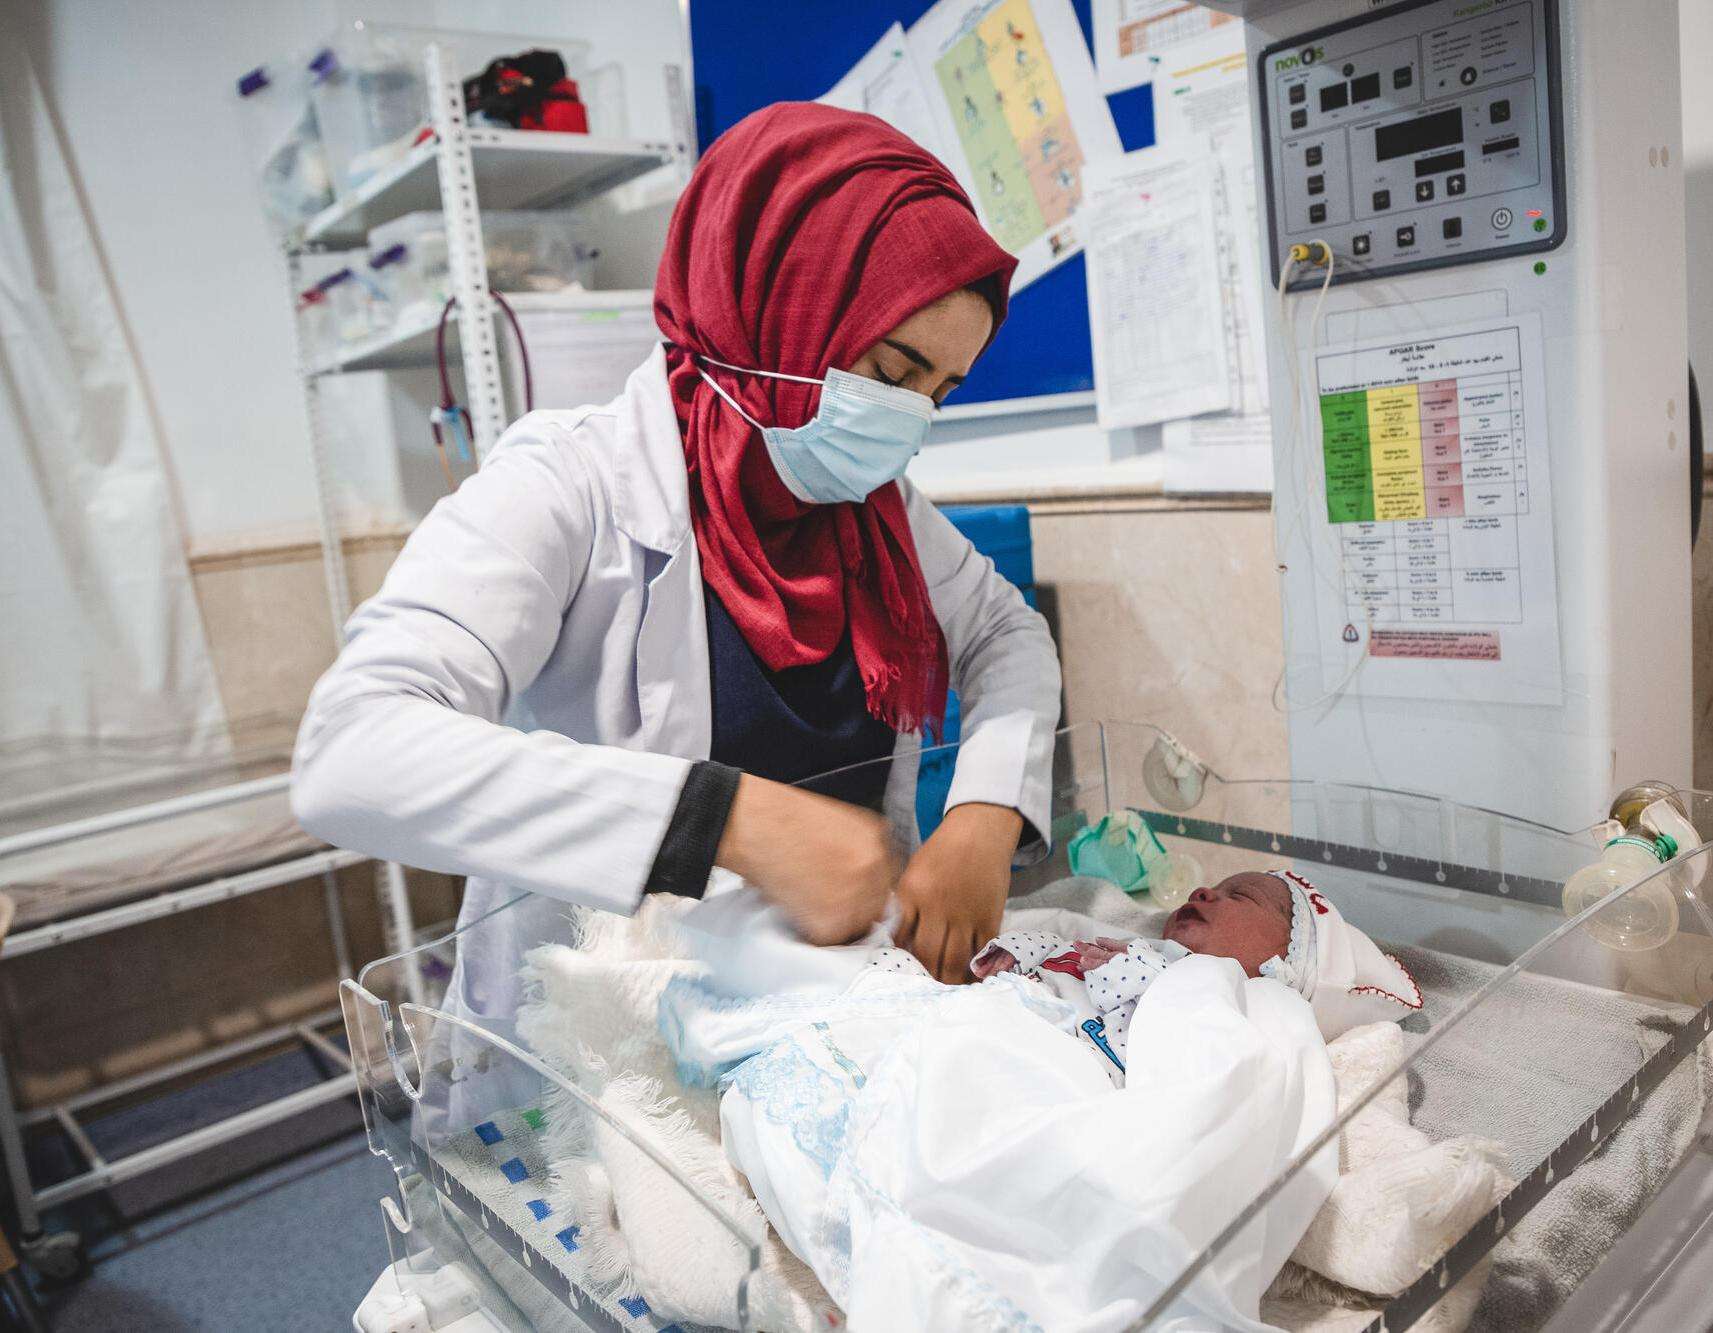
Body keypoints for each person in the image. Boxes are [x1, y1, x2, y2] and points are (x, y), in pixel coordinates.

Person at [289, 102, 1062, 1049]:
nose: (909, 421)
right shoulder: (571, 483)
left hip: (816, 1007)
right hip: (611, 1039)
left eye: (939, 394)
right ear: (782, 301)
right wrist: (725, 819)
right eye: (892, 370)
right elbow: (349, 749)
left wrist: (987, 811)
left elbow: (1004, 631)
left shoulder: (874, 512)